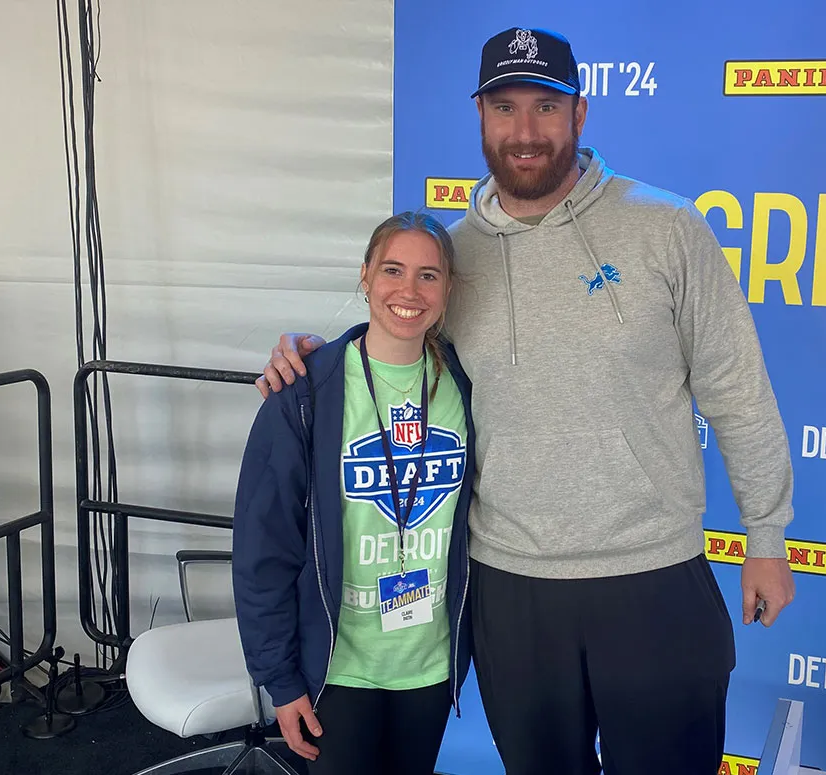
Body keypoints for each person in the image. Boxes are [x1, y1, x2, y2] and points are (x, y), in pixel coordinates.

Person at [256, 27, 795, 775]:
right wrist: (310, 360)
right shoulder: (453, 255)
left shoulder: (667, 228)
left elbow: (739, 390)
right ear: (480, 117)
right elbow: (396, 338)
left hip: (653, 574)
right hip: (511, 591)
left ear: (580, 114)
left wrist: (765, 536)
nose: (526, 131)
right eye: (505, 108)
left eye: (546, 106)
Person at [231, 211, 475, 775]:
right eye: (392, 270)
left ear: (447, 289)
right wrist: (281, 678)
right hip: (337, 672)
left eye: (428, 275)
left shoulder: (466, 385)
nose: (408, 291)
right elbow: (263, 550)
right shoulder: (304, 393)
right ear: (365, 275)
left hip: (430, 666)